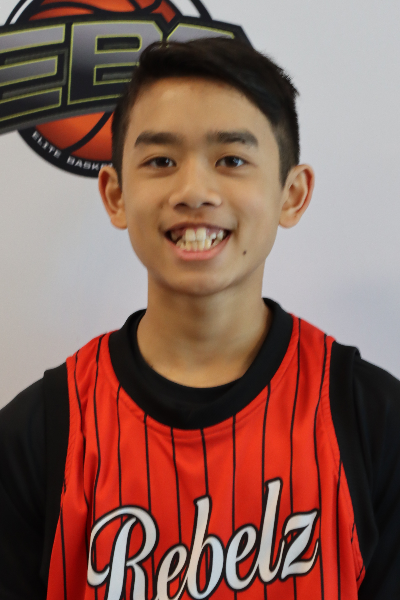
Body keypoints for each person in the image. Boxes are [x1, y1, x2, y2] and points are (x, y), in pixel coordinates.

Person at [0, 37, 399, 600]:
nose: (194, 191)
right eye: (161, 161)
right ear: (115, 195)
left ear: (292, 194)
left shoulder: (373, 420)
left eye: (231, 160)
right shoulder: (38, 435)